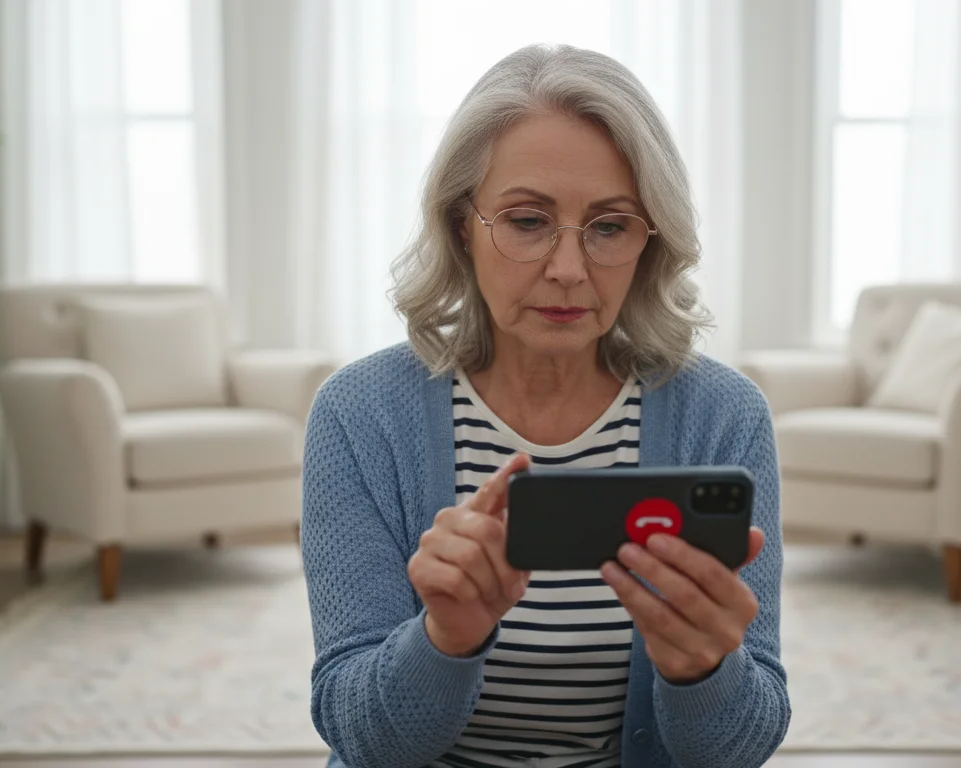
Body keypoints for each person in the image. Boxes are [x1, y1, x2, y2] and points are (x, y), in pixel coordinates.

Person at [300, 43, 790, 768]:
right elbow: (361, 737)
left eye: (610, 226)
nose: (567, 269)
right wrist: (444, 639)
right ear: (463, 225)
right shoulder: (360, 415)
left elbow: (742, 745)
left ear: (650, 241)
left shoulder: (723, 418)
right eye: (528, 221)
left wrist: (703, 671)